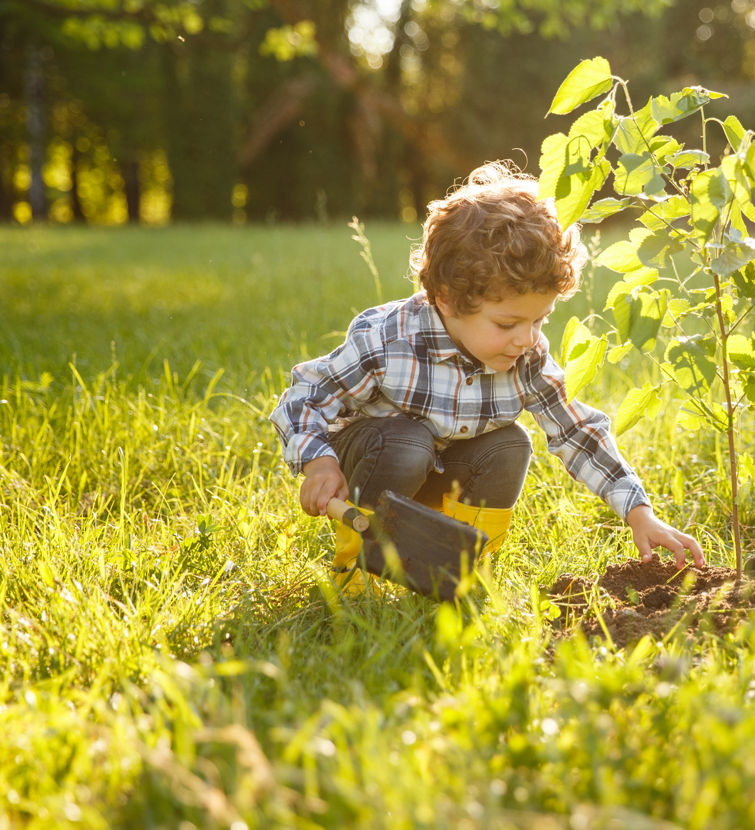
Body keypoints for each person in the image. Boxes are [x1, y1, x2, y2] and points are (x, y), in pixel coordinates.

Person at [270, 162, 704, 589]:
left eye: (540, 321)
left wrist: (639, 513)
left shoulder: (527, 358)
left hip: (441, 474)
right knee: (408, 443)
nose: (526, 339)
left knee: (510, 444)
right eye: (507, 324)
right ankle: (360, 570)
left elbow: (577, 432)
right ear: (446, 298)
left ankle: (455, 569)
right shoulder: (390, 342)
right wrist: (319, 462)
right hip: (377, 463)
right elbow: (306, 395)